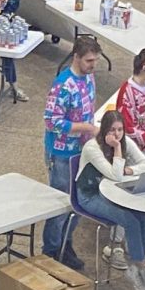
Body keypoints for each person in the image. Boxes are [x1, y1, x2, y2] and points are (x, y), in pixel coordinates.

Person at [77, 111, 145, 290]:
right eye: (112, 130)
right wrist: (118, 150)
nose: (117, 135)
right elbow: (115, 175)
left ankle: (138, 266)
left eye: (120, 130)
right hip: (90, 194)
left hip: (114, 191)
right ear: (104, 130)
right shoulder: (92, 147)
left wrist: (129, 168)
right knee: (130, 220)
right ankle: (140, 267)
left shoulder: (125, 141)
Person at [42, 35, 103, 269]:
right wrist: (86, 128)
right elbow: (51, 122)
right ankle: (51, 250)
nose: (93, 65)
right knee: (60, 203)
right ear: (76, 57)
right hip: (61, 154)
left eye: (95, 60)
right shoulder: (62, 86)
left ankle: (66, 243)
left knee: (76, 203)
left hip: (82, 150)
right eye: (89, 61)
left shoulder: (89, 78)